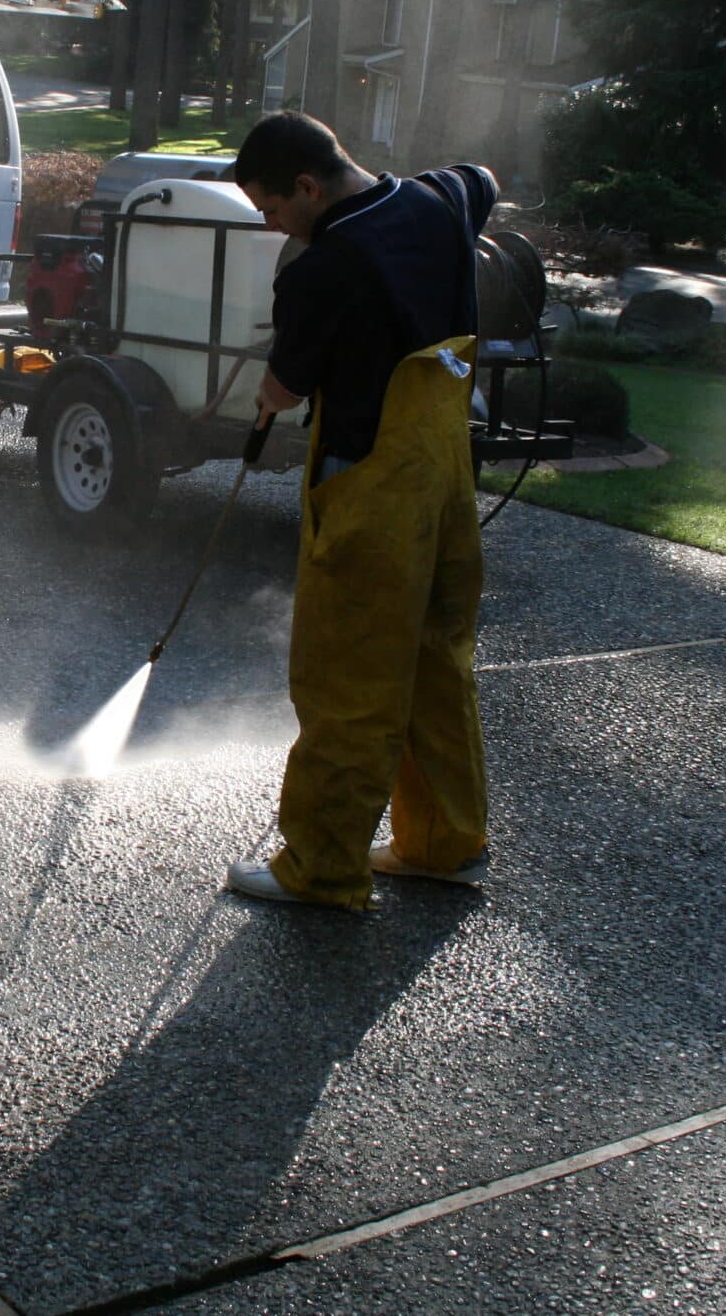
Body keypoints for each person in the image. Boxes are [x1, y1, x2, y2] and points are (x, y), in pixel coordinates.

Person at [222, 111, 496, 911]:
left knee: (348, 674)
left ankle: (322, 864)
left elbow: (284, 389)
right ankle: (445, 842)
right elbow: (486, 179)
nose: (272, 225)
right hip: (445, 472)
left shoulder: (320, 268)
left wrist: (263, 401)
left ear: (307, 186)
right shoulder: (442, 199)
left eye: (272, 209)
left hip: (368, 478)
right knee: (435, 662)